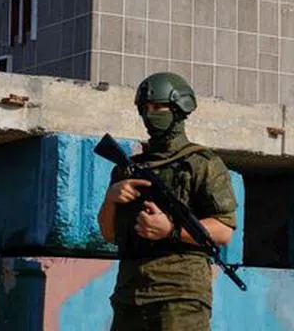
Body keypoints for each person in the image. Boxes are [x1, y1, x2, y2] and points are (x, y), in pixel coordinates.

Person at [98, 72, 238, 331]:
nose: (150, 115)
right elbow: (108, 233)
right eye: (145, 108)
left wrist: (171, 230)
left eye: (158, 107)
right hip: (130, 295)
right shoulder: (128, 169)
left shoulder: (201, 163)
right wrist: (111, 199)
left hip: (180, 296)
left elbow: (223, 229)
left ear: (179, 108)